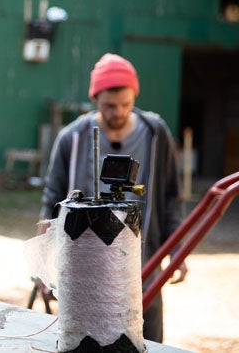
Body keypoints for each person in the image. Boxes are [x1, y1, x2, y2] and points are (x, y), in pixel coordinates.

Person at [37, 52, 187, 343]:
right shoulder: (73, 137)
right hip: (85, 264)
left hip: (145, 261)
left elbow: (171, 197)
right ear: (95, 99)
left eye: (125, 105)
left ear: (134, 98)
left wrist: (176, 249)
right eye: (109, 105)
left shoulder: (156, 133)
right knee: (86, 336)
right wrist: (46, 264)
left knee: (144, 334)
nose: (117, 112)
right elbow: (51, 201)